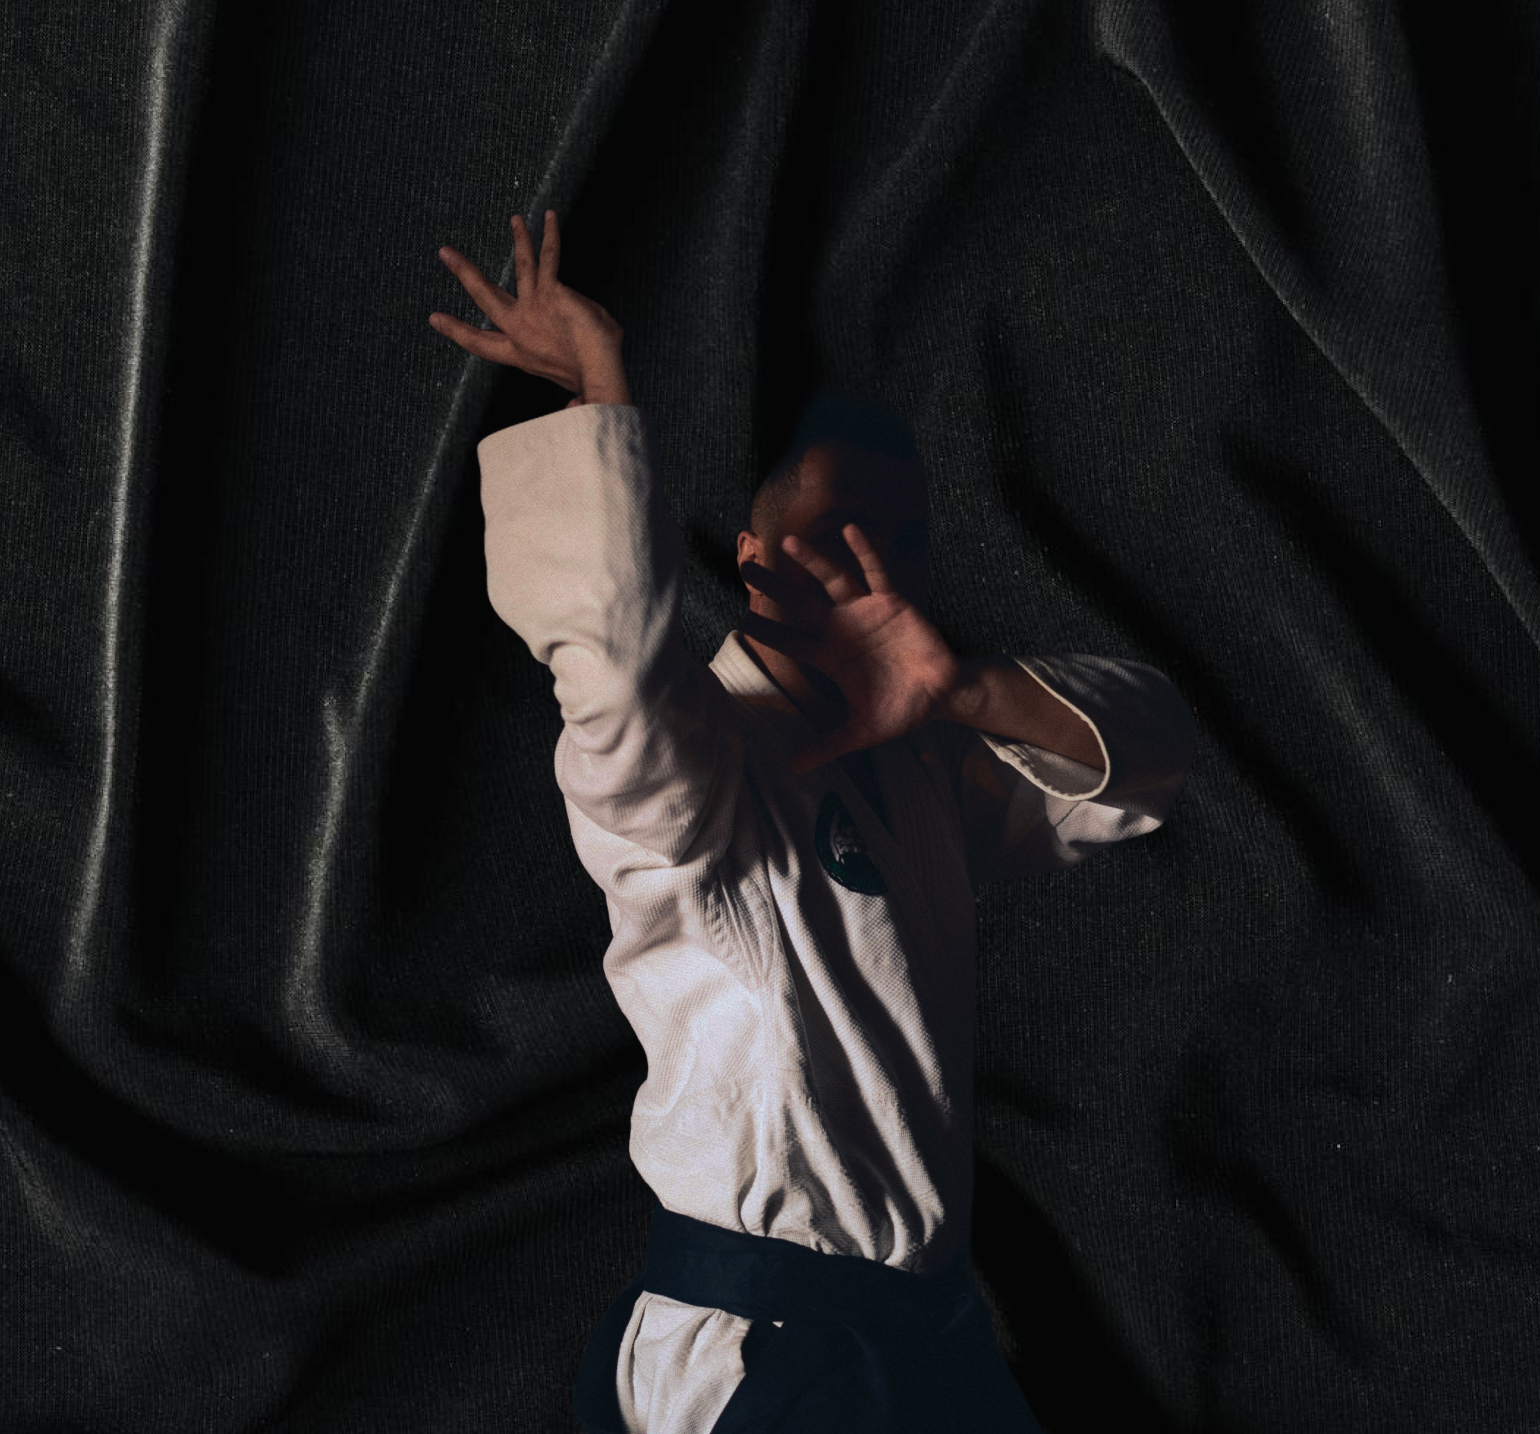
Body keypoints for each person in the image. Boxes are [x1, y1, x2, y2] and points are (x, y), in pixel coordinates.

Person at [430, 211, 1197, 1433]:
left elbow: (1149, 762)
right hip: (771, 1351)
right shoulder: (694, 766)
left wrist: (965, 689)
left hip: (918, 1336)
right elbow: (617, 685)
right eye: (825, 526)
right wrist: (601, 398)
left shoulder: (925, 775)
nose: (856, 561)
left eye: (892, 540)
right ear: (747, 556)